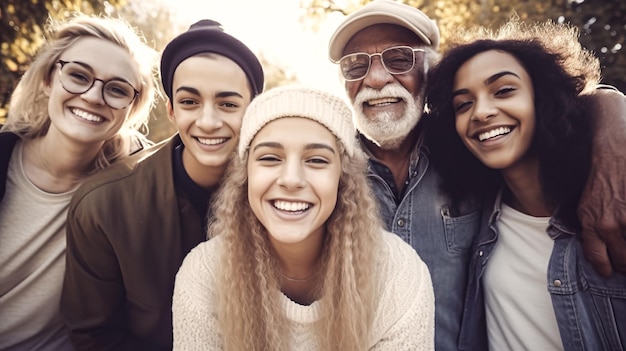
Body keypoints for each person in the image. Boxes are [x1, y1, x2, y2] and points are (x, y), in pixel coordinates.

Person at [327, 0, 626, 349]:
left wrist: (610, 113)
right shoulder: (325, 170)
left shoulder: (466, 158)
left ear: (430, 70)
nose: (376, 79)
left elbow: (557, 106)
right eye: (355, 66)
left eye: (398, 59)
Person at [172, 85, 435, 350]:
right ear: (245, 175)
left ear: (343, 179)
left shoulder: (398, 274)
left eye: (317, 160)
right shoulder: (204, 274)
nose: (291, 180)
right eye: (270, 158)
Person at [60, 19, 264, 350]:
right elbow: (95, 337)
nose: (208, 122)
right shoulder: (104, 205)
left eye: (228, 104)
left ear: (253, 110)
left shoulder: (282, 195)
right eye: (189, 102)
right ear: (170, 109)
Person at [426, 19, 626, 350]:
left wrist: (610, 102)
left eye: (503, 90)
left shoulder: (610, 201)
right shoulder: (476, 213)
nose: (482, 112)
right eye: (464, 104)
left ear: (542, 97)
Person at [0, 14, 158, 350]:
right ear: (48, 79)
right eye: (78, 76)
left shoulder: (131, 187)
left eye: (116, 89)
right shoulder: (4, 159)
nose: (93, 96)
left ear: (131, 108)